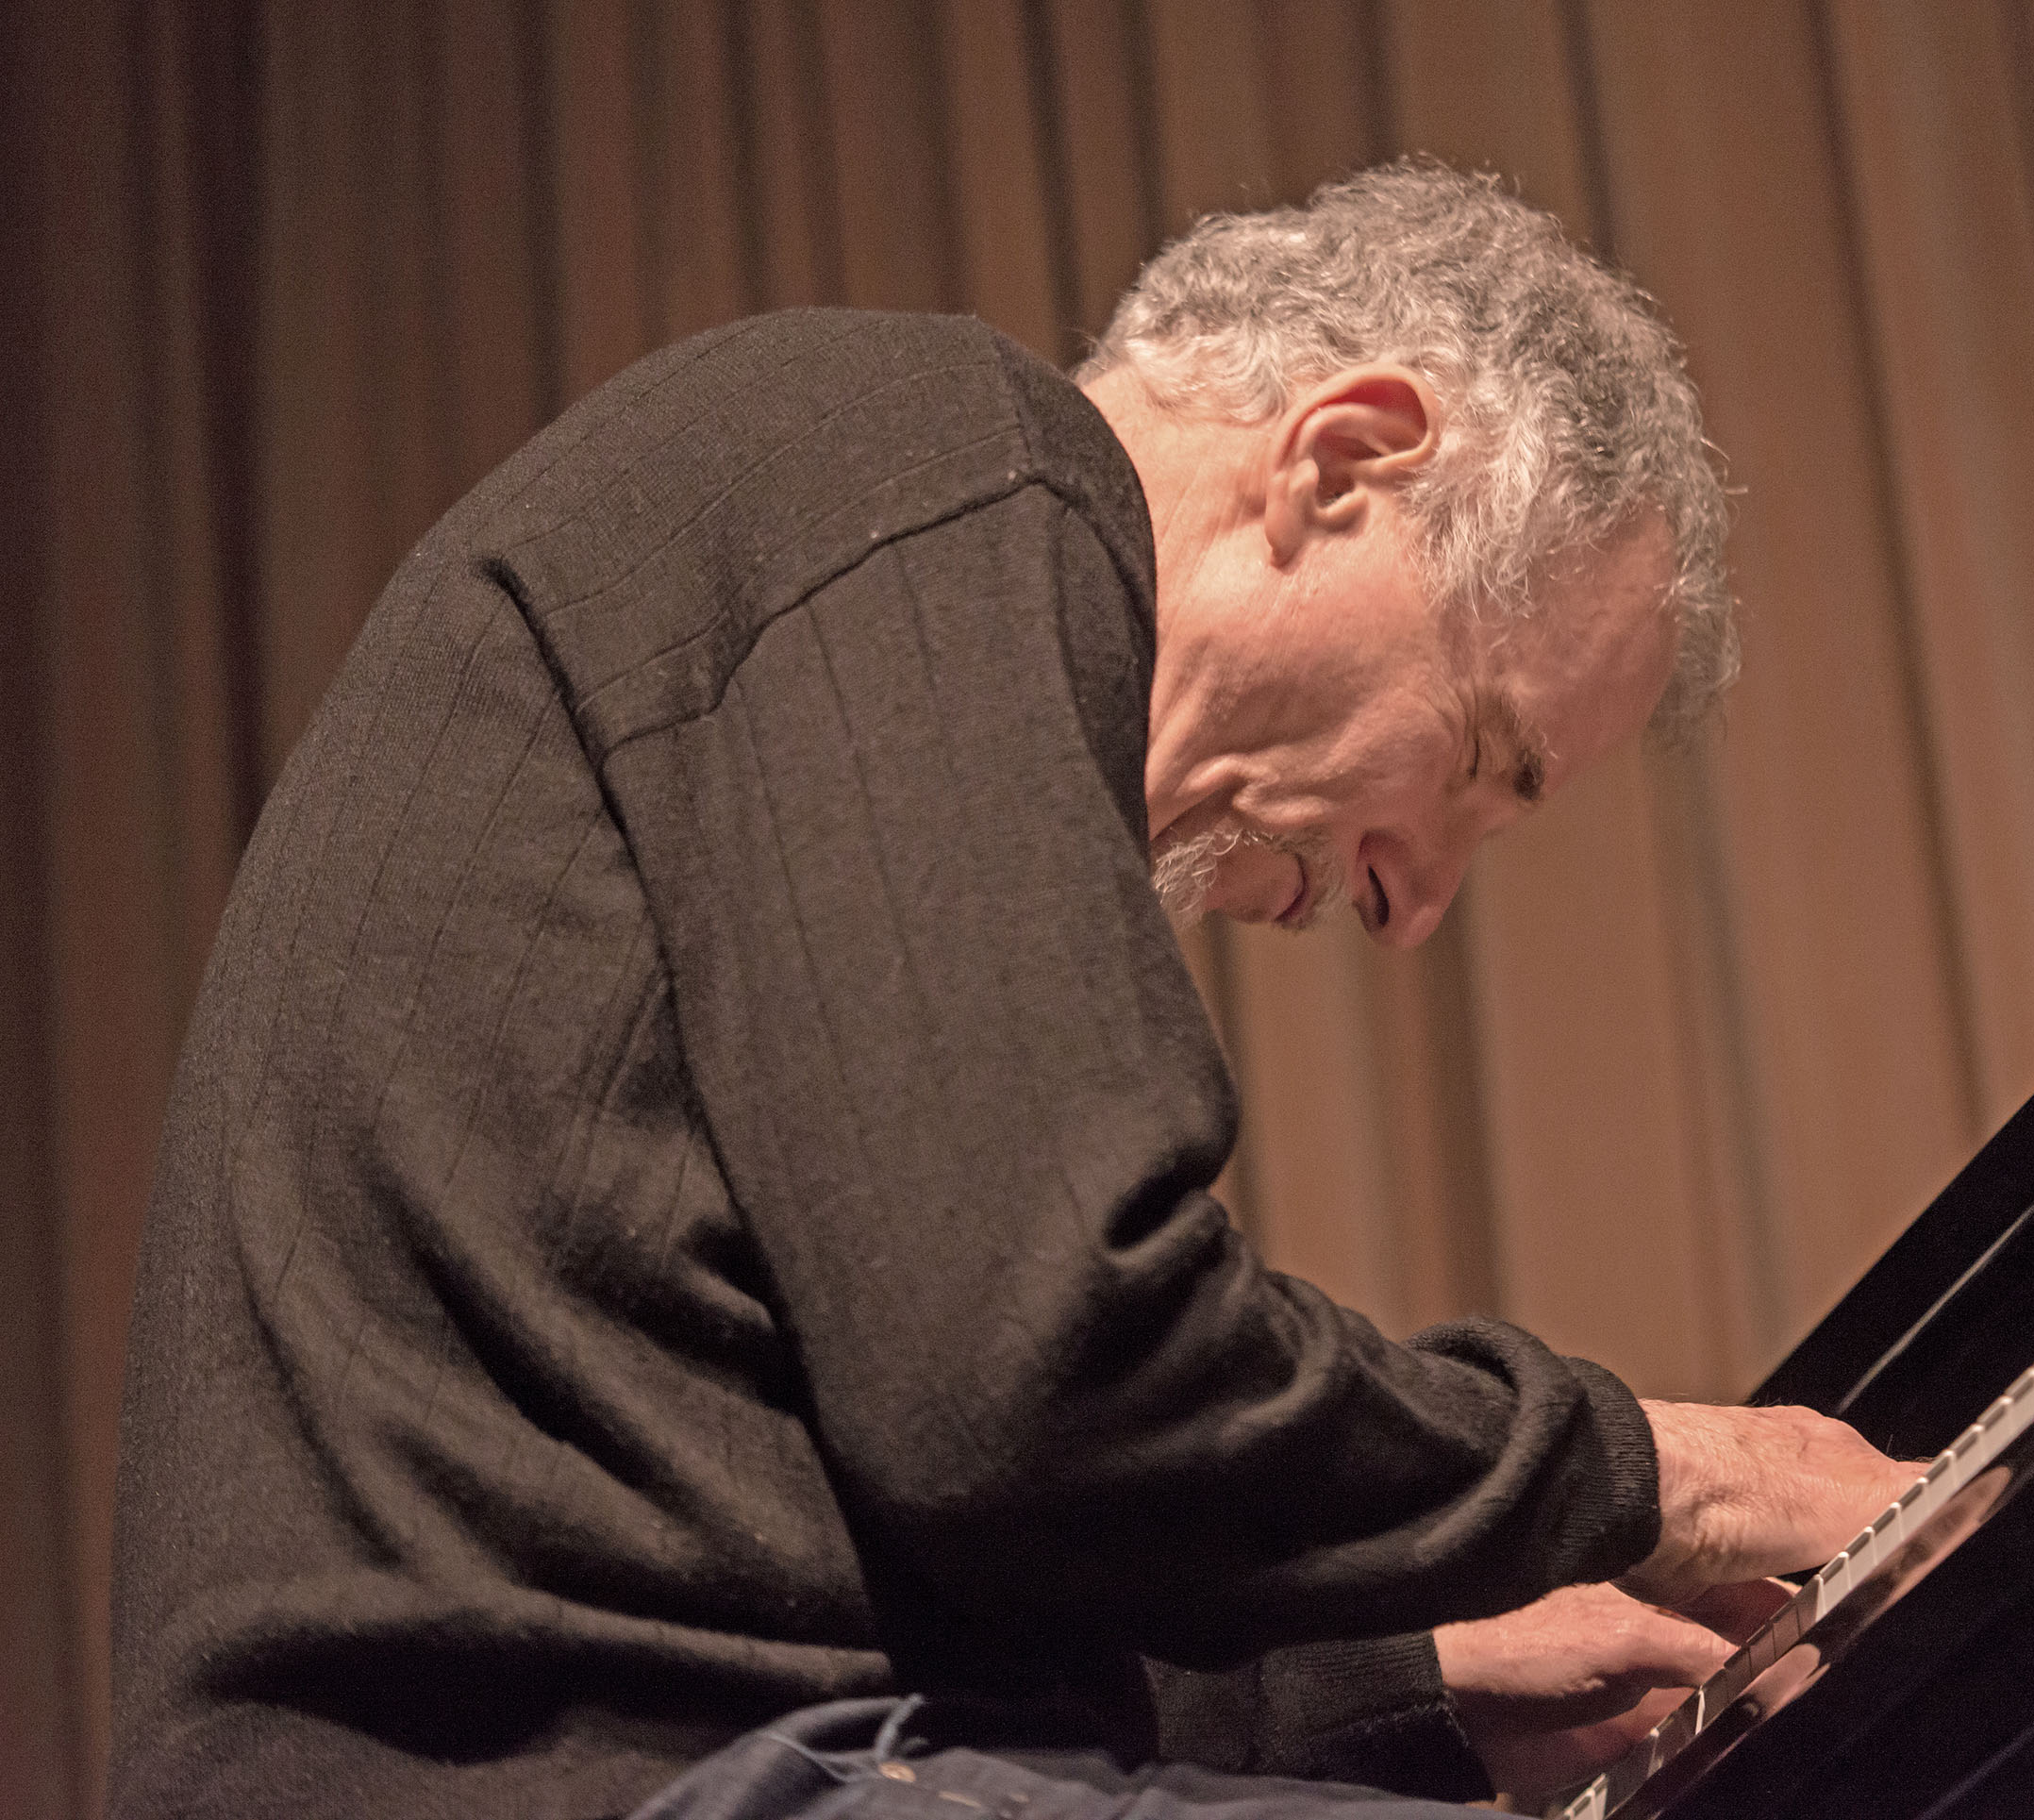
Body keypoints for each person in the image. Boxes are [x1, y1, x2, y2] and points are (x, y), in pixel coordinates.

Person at [108, 162, 1906, 1820]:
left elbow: (867, 1506)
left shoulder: (827, 515)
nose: (1410, 905)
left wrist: (1388, 1678)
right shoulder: (937, 455)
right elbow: (1050, 1367)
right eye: (1476, 760)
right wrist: (1676, 1477)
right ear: (1344, 461)